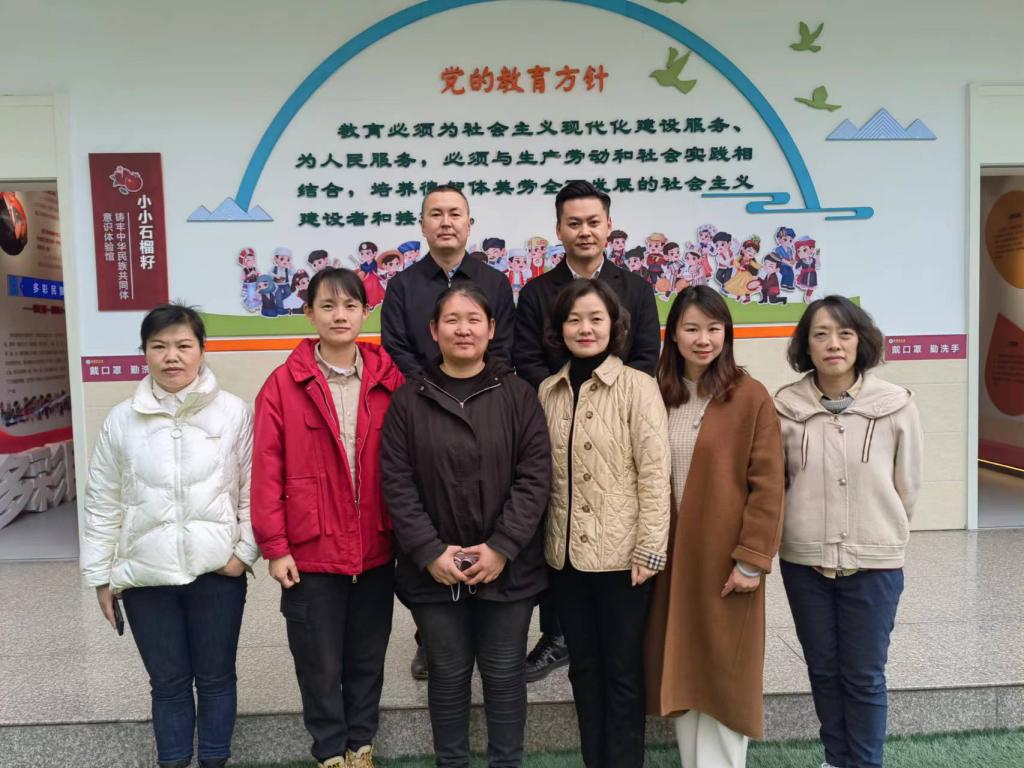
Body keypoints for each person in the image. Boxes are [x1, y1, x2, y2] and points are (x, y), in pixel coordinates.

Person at [380, 284, 551, 767]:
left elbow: (535, 477)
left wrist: (502, 547)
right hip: (434, 571)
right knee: (448, 674)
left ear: (491, 329)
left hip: (508, 569)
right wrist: (429, 551)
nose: (463, 329)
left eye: (474, 319)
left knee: (504, 673)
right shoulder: (409, 401)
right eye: (452, 320)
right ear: (433, 331)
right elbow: (396, 482)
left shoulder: (518, 395)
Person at [81, 304, 257, 768]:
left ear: (202, 350)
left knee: (216, 679)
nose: (171, 356)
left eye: (183, 345)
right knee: (168, 684)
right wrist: (100, 576)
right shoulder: (121, 420)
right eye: (158, 346)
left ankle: (215, 761)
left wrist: (243, 553)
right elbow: (102, 502)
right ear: (144, 353)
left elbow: (254, 489)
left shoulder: (233, 412)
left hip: (217, 573)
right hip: (146, 577)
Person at [251, 268, 403, 768]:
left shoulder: (388, 380)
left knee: (367, 658)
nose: (340, 316)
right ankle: (329, 751)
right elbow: (266, 471)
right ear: (309, 313)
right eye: (328, 306)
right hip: (311, 551)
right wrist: (275, 548)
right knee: (318, 663)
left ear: (365, 313)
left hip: (376, 546)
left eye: (350, 306)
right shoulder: (283, 385)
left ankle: (361, 746)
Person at [515, 179, 661, 682]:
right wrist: (563, 400)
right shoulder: (536, 293)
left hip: (619, 424)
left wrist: (607, 399)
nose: (584, 231)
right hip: (554, 420)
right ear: (558, 229)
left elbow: (646, 356)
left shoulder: (636, 289)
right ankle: (556, 635)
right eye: (573, 223)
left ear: (609, 226)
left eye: (593, 222)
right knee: (558, 524)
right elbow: (526, 359)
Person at [774, 296, 922, 768]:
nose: (833, 344)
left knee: (864, 676)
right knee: (822, 671)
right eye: (820, 334)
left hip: (874, 563)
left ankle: (864, 763)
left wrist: (879, 533)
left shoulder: (895, 405)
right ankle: (835, 760)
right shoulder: (784, 407)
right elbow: (776, 484)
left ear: (861, 342)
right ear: (806, 345)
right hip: (804, 562)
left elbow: (907, 486)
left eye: (844, 333)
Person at [645, 285, 785, 768]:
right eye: (691, 329)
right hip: (668, 556)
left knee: (726, 670)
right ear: (673, 335)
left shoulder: (749, 396)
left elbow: (769, 484)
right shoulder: (657, 393)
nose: (703, 339)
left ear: (727, 333)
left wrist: (752, 560)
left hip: (726, 558)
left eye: (713, 328)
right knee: (682, 666)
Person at [380, 184, 516, 679]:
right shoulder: (402, 285)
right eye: (435, 214)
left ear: (469, 224)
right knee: (432, 517)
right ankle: (431, 637)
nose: (445, 222)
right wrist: (433, 390)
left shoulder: (494, 282)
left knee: (484, 510)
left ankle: (489, 629)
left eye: (455, 213)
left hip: (486, 408)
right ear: (422, 225)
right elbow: (395, 347)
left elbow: (504, 347)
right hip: (424, 413)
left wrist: (476, 390)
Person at [539, 279, 671, 768]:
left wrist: (650, 549)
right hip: (566, 558)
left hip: (623, 559)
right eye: (573, 319)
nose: (585, 328)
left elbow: (655, 474)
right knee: (583, 669)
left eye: (596, 318)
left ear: (614, 326)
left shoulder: (638, 386)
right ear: (559, 328)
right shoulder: (548, 390)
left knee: (621, 672)